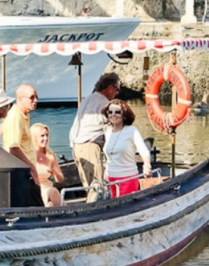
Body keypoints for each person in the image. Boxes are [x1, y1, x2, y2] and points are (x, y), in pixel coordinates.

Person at [69, 72, 120, 202]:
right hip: (91, 146)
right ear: (110, 88)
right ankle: (94, 215)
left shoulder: (88, 99)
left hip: (77, 147)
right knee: (97, 188)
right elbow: (109, 130)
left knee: (89, 188)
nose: (117, 93)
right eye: (117, 89)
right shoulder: (104, 103)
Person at [2, 83, 44, 206]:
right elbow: (13, 148)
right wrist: (32, 168)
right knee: (36, 209)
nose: (35, 100)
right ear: (20, 99)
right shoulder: (15, 117)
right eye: (31, 97)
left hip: (26, 172)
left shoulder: (24, 115)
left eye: (36, 97)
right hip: (23, 173)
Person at [102, 100, 151, 198]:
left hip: (127, 178)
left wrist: (147, 165)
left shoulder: (131, 131)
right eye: (110, 112)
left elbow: (143, 150)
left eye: (117, 112)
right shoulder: (107, 131)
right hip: (110, 178)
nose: (113, 114)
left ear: (124, 114)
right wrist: (105, 175)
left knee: (124, 207)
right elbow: (109, 156)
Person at [30, 123, 64, 207]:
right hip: (35, 190)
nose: (45, 138)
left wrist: (55, 172)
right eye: (42, 136)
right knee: (50, 204)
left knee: (53, 193)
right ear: (34, 138)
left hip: (48, 189)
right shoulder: (29, 155)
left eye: (47, 135)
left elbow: (60, 179)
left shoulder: (50, 155)